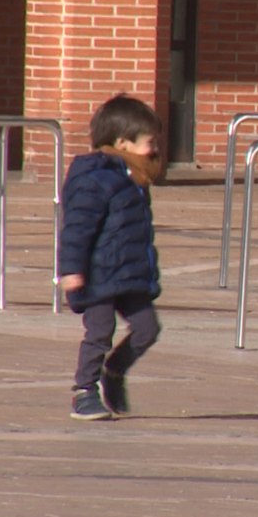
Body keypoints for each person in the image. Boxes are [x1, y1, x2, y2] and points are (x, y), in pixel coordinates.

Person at [58, 94, 165, 421]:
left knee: (147, 329)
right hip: (97, 274)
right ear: (122, 143)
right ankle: (84, 391)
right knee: (100, 332)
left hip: (128, 273)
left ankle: (114, 371)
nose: (155, 150)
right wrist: (71, 270)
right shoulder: (95, 178)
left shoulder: (134, 178)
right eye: (149, 143)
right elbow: (77, 228)